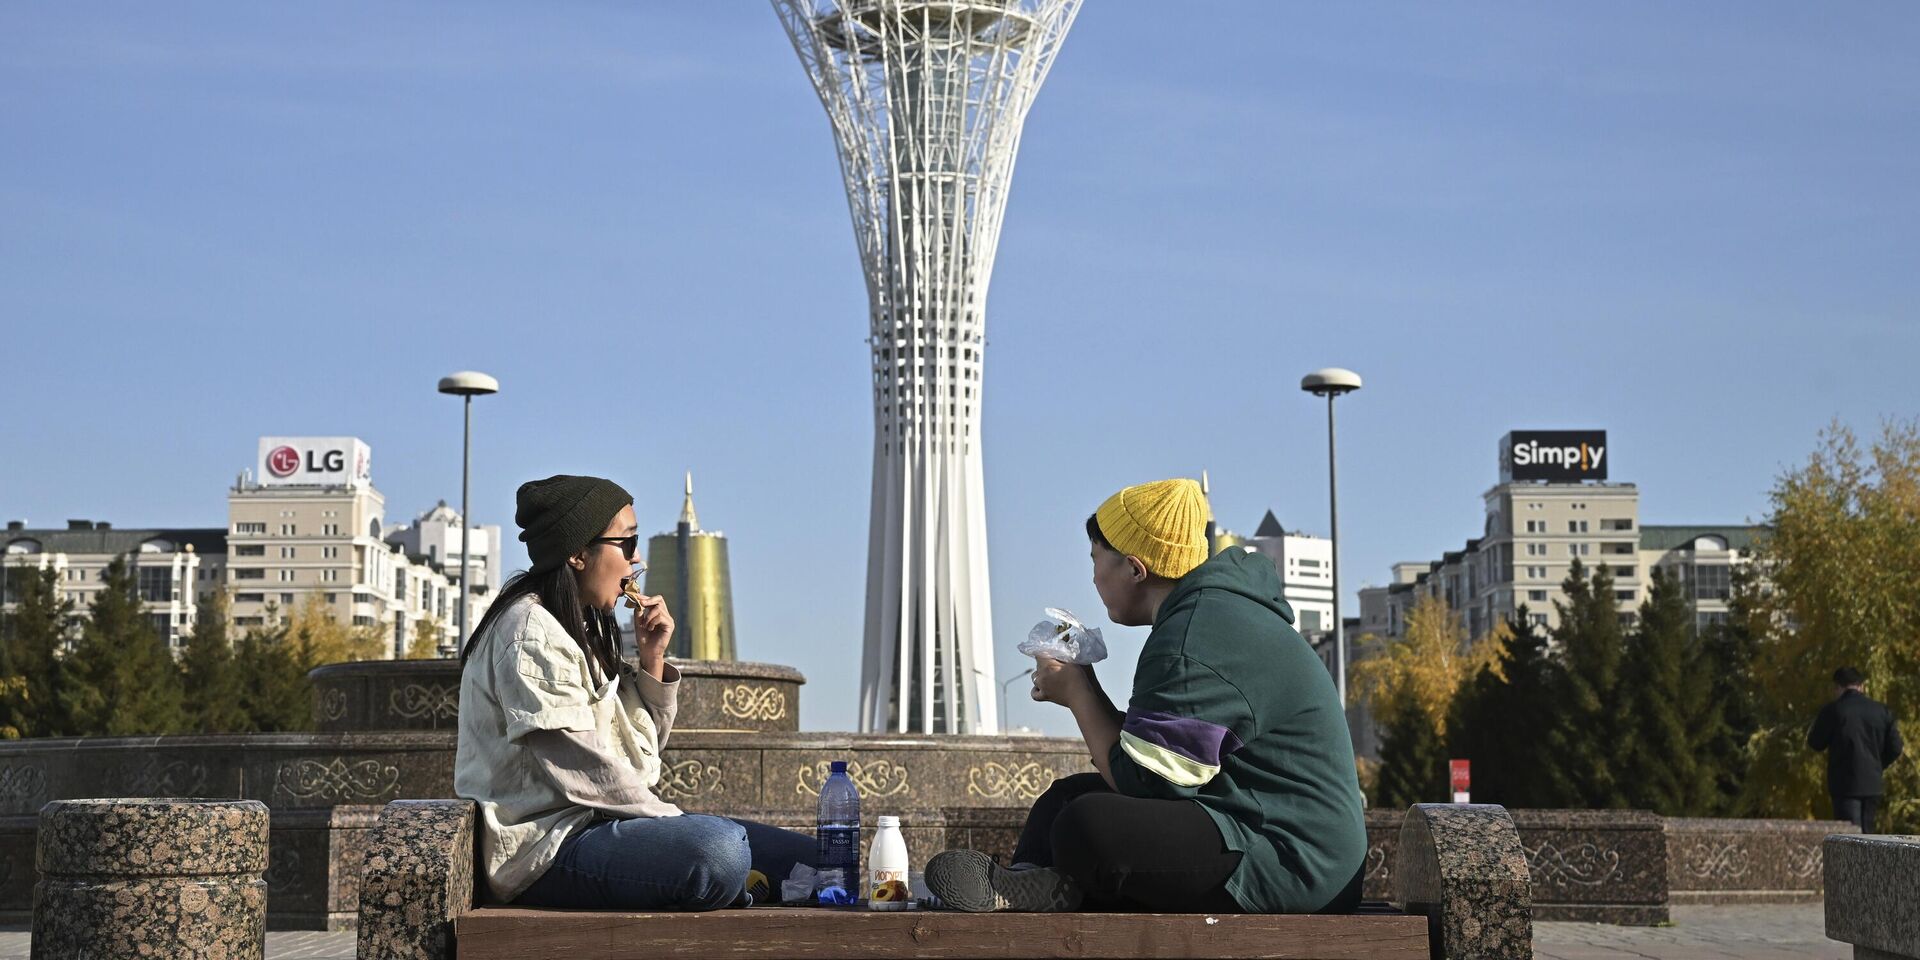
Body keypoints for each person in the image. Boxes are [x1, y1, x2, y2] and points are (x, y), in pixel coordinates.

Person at [925, 478, 1367, 914]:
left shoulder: (1195, 636)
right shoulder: (1210, 614)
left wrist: (1078, 692)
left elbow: (1146, 784)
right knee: (1066, 799)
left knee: (1088, 827)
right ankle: (1028, 887)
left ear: (1136, 569)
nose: (1094, 576)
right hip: (1255, 825)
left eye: (1097, 559)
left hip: (1293, 862)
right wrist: (1082, 685)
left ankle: (1048, 889)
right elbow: (1155, 764)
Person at [454, 474, 815, 909]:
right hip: (546, 849)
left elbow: (640, 759)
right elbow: (583, 773)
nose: (636, 559)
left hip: (604, 826)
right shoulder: (530, 632)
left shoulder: (581, 628)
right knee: (720, 850)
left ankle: (741, 884)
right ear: (577, 553)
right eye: (627, 543)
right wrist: (676, 822)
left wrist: (652, 661)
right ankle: (737, 883)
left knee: (812, 858)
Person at [1808, 666, 1904, 834]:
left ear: (1838, 687)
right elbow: (1896, 747)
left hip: (1844, 783)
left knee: (1850, 836)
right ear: (1861, 686)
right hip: (1872, 783)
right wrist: (1877, 764)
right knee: (1868, 833)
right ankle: (1871, 861)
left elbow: (1815, 742)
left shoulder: (1834, 710)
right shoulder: (1881, 711)